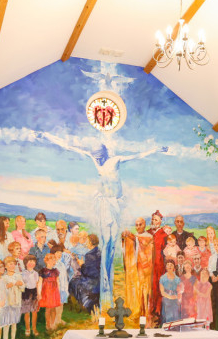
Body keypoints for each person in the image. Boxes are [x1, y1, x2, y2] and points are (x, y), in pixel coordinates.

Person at [40, 131, 168, 307]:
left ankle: (108, 288)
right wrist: (48, 137)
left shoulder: (115, 160)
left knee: (112, 244)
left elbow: (137, 156)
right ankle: (104, 290)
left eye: (99, 156)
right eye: (95, 157)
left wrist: (156, 149)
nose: (97, 160)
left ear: (104, 154)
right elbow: (71, 147)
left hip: (115, 203)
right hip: (104, 204)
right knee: (106, 243)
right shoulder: (95, 160)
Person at [69, 234, 101, 312]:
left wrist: (81, 264)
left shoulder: (89, 255)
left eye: (87, 241)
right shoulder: (99, 252)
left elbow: (86, 272)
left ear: (90, 242)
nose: (86, 243)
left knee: (73, 282)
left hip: (90, 281)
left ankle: (80, 304)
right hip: (97, 279)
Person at [0, 255, 25, 339]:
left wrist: (20, 284)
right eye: (10, 264)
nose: (12, 266)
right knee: (6, 324)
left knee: (14, 323)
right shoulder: (3, 278)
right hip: (7, 303)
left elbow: (23, 288)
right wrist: (6, 287)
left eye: (13, 264)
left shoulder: (18, 276)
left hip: (16, 302)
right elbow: (1, 291)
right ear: (6, 266)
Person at [38, 253, 61, 331]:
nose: (53, 261)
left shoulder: (55, 271)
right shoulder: (43, 271)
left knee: (53, 308)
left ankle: (52, 324)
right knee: (48, 308)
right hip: (46, 291)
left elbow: (58, 282)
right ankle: (47, 324)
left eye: (54, 260)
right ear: (47, 261)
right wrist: (39, 293)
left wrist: (58, 291)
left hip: (54, 291)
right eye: (51, 260)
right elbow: (40, 282)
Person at [21, 254, 40, 336]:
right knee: (27, 312)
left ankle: (34, 328)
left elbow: (37, 284)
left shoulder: (36, 273)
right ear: (25, 263)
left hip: (34, 292)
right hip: (26, 292)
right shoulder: (23, 273)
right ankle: (28, 328)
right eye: (30, 261)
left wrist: (38, 294)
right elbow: (22, 284)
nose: (32, 263)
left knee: (34, 311)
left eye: (33, 261)